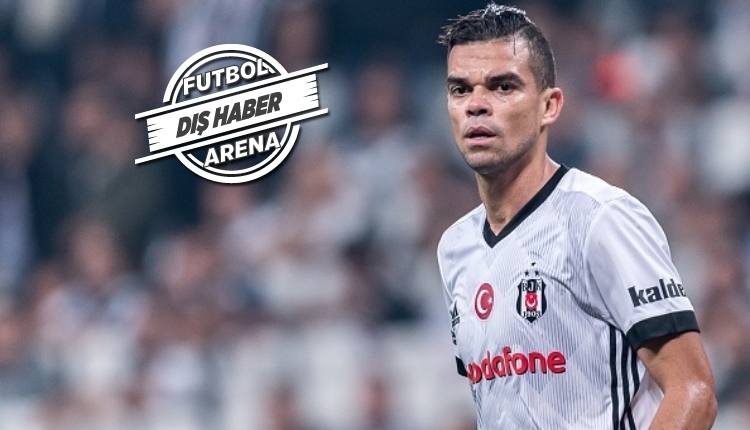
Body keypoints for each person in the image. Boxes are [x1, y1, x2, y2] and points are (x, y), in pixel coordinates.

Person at [435, 4, 717, 429]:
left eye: (502, 86)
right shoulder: (455, 248)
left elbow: (693, 392)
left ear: (549, 106)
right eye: (460, 89)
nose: (476, 105)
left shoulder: (601, 219)